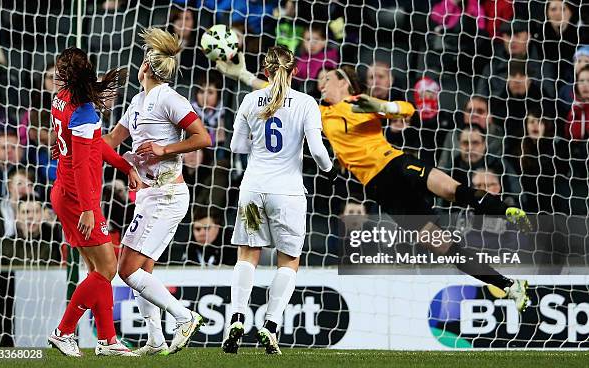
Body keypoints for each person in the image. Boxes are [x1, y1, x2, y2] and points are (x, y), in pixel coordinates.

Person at [217, 52, 531, 313]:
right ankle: (508, 284)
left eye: (326, 80)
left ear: (342, 81)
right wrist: (244, 75)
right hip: (379, 188)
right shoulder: (317, 111)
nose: (321, 85)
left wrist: (381, 107)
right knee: (440, 245)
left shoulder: (358, 103)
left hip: (396, 164)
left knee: (451, 190)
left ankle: (509, 211)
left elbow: (408, 109)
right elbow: (278, 94)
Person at [103, 28, 211, 356]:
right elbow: (111, 141)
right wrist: (76, 144)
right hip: (148, 195)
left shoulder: (169, 98)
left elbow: (202, 137)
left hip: (167, 194)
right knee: (142, 271)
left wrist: (165, 149)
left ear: (146, 68)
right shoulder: (137, 101)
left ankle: (183, 316)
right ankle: (155, 339)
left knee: (127, 269)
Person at [221, 46, 334, 355]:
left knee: (248, 254)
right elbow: (318, 151)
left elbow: (237, 147)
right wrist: (330, 171)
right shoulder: (306, 102)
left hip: (253, 191)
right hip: (288, 196)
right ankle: (269, 326)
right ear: (294, 71)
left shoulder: (249, 100)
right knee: (289, 260)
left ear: (265, 71)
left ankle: (237, 318)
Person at [46, 47, 141, 357]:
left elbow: (93, 145)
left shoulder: (61, 97)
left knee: (96, 269)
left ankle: (107, 340)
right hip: (77, 198)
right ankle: (63, 331)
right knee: (107, 268)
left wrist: (125, 166)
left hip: (65, 192)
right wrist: (89, 208)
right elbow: (80, 165)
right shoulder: (85, 112)